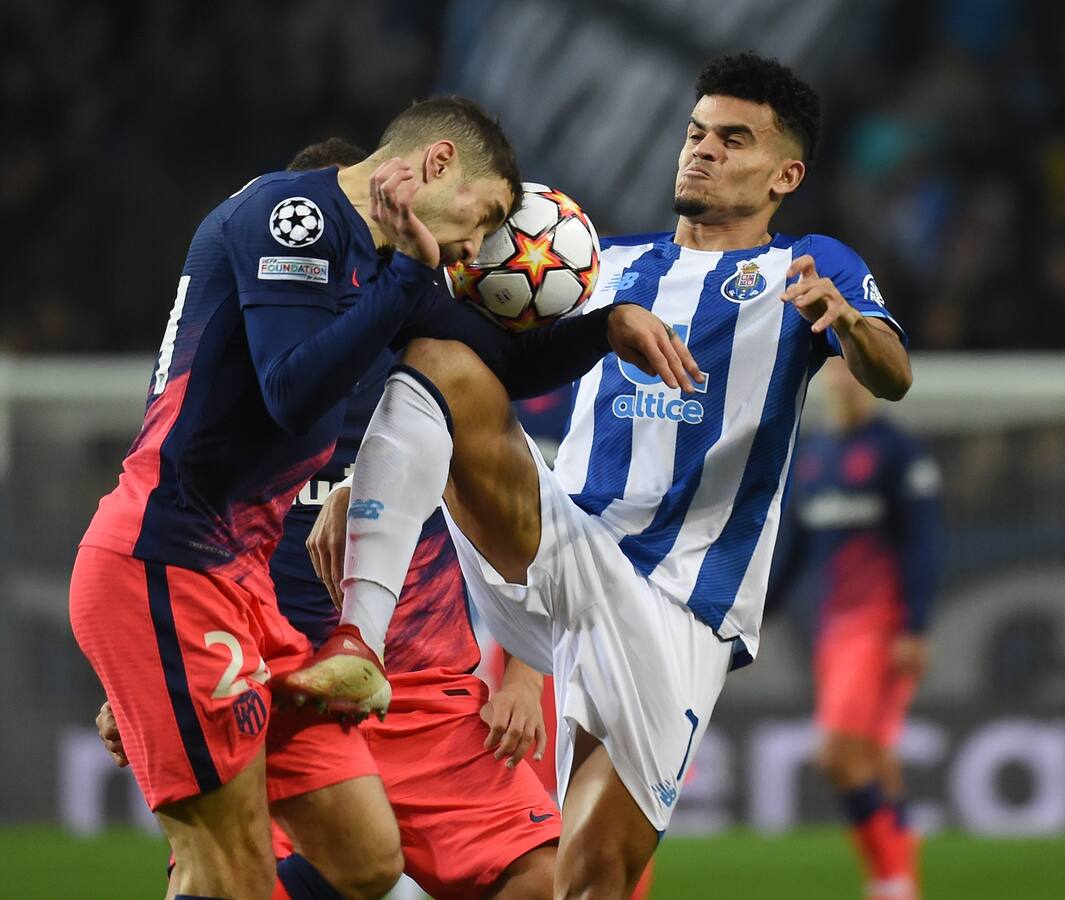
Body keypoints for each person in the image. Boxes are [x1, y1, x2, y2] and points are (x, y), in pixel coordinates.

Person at [283, 52, 912, 898]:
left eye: (734, 140)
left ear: (785, 173)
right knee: (440, 356)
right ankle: (362, 638)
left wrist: (849, 328)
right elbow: (481, 379)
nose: (704, 152)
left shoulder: (808, 267)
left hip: (680, 602)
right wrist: (367, 473)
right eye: (697, 134)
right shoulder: (590, 264)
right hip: (567, 543)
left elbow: (893, 373)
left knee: (588, 877)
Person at [70, 94, 692, 900]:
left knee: (368, 860)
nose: (484, 244)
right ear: (438, 165)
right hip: (172, 559)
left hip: (248, 591)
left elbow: (495, 361)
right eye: (490, 212)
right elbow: (291, 393)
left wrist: (606, 329)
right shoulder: (291, 213)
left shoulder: (382, 266)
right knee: (235, 874)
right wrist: (404, 280)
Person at [772, 357, 941, 900]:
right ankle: (896, 878)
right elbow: (794, 552)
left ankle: (891, 878)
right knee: (873, 758)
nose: (845, 381)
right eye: (837, 371)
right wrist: (753, 613)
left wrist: (915, 626)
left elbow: (923, 545)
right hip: (833, 627)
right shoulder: (815, 456)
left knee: (838, 755)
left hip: (882, 625)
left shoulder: (897, 452)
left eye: (854, 372)